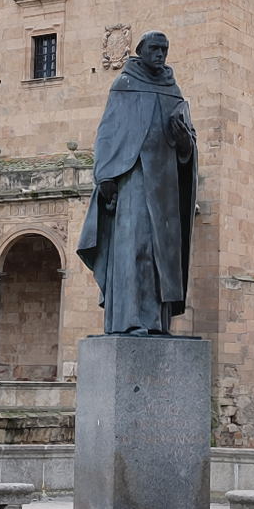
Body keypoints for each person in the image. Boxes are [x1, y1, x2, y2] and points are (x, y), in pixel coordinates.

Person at [77, 30, 197, 335]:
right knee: (134, 247)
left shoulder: (173, 90)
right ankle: (128, 321)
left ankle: (156, 322)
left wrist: (185, 145)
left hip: (166, 183)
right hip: (133, 176)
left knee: (161, 255)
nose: (160, 54)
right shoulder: (124, 85)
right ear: (141, 51)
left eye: (164, 49)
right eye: (154, 48)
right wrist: (104, 175)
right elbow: (108, 132)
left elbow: (188, 143)